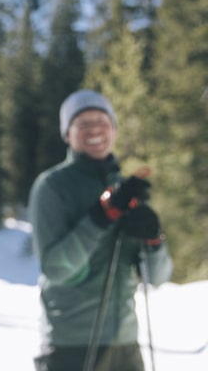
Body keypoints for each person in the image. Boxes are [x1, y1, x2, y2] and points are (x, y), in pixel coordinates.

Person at [27, 89, 173, 371]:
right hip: (71, 347)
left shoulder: (127, 189)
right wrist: (99, 219)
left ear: (114, 130)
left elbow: (157, 277)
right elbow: (57, 268)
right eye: (83, 123)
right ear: (67, 134)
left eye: (102, 121)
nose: (94, 129)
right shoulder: (52, 186)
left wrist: (154, 238)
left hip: (126, 346)